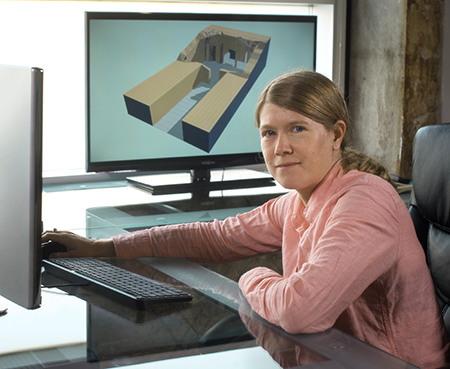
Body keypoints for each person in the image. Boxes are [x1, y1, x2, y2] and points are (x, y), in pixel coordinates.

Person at [42, 70, 449, 368]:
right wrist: (103, 247)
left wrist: (253, 278)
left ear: (336, 134)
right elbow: (214, 237)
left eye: (297, 129)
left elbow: (300, 312)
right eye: (269, 133)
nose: (281, 147)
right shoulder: (297, 203)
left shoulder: (365, 200)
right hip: (336, 357)